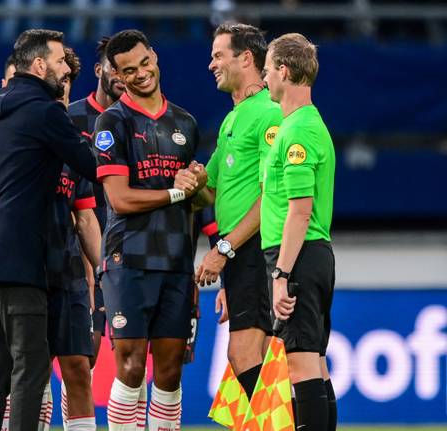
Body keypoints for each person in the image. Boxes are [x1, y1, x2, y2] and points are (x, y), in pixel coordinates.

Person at [0, 29, 97, 431]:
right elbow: (89, 165)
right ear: (38, 66)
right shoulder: (46, 112)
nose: (65, 70)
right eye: (59, 63)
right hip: (24, 258)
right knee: (30, 370)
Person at [93, 29, 209, 431]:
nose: (141, 74)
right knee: (130, 365)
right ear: (117, 76)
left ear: (155, 57)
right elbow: (120, 200)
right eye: (129, 70)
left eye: (144, 63)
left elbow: (200, 199)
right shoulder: (112, 122)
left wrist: (199, 185)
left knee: (171, 370)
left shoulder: (185, 123)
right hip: (129, 261)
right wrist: (176, 192)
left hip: (177, 260)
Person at [193, 22, 283, 400]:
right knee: (255, 360)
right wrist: (188, 179)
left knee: (247, 355)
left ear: (246, 58)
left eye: (218, 55)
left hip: (256, 249)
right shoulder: (233, 118)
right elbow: (208, 192)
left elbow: (272, 197)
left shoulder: (268, 115)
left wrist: (223, 250)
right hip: (241, 256)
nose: (211, 64)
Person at [262, 32, 337, 431]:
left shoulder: (298, 133)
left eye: (268, 69)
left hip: (299, 256)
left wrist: (282, 274)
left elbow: (300, 212)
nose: (264, 77)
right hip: (311, 254)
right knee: (316, 362)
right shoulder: (305, 125)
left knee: (301, 362)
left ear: (284, 71)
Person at [46, 46, 101, 431]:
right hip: (21, 271)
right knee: (25, 375)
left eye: (67, 82)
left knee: (79, 369)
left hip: (67, 273)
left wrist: (101, 272)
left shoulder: (75, 143)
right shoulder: (7, 133)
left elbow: (84, 215)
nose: (62, 89)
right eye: (57, 80)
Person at [68, 37, 125, 373]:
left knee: (128, 357)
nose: (120, 74)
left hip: (124, 253)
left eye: (127, 69)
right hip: (80, 253)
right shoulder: (70, 117)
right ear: (98, 69)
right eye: (113, 67)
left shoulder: (135, 122)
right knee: (81, 355)